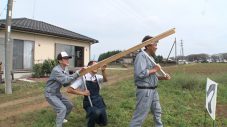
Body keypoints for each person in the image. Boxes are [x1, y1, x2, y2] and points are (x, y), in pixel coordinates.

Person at [130, 35, 171, 127]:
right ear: (148, 45)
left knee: (157, 112)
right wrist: (155, 69)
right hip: (145, 91)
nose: (156, 47)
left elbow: (152, 75)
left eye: (157, 44)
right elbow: (140, 73)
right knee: (140, 116)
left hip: (154, 90)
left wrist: (163, 77)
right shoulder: (141, 56)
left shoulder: (150, 58)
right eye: (155, 44)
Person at [45, 51, 83, 127]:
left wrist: (77, 78)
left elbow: (65, 83)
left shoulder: (65, 69)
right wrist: (77, 74)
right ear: (60, 61)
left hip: (57, 93)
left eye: (68, 58)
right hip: (50, 93)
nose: (67, 60)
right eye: (65, 58)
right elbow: (66, 80)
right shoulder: (56, 70)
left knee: (69, 105)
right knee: (62, 109)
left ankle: (62, 118)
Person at [67, 61, 108, 127]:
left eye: (97, 66)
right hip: (89, 102)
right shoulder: (83, 78)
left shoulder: (98, 77)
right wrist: (83, 93)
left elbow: (105, 80)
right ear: (89, 67)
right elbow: (69, 90)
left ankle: (95, 117)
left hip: (99, 101)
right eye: (94, 66)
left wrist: (103, 71)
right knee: (95, 112)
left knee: (104, 123)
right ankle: (91, 120)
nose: (96, 67)